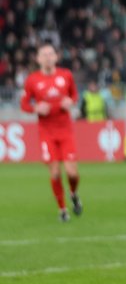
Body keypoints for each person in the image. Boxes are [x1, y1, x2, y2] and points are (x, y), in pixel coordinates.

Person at [19, 42, 83, 223]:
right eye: (44, 54)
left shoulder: (66, 75)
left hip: (65, 130)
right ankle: (62, 209)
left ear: (56, 57)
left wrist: (70, 102)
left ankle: (73, 194)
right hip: (46, 132)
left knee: (72, 173)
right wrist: (36, 108)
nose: (47, 57)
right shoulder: (32, 80)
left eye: (50, 54)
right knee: (55, 173)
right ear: (38, 59)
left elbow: (75, 95)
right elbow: (24, 104)